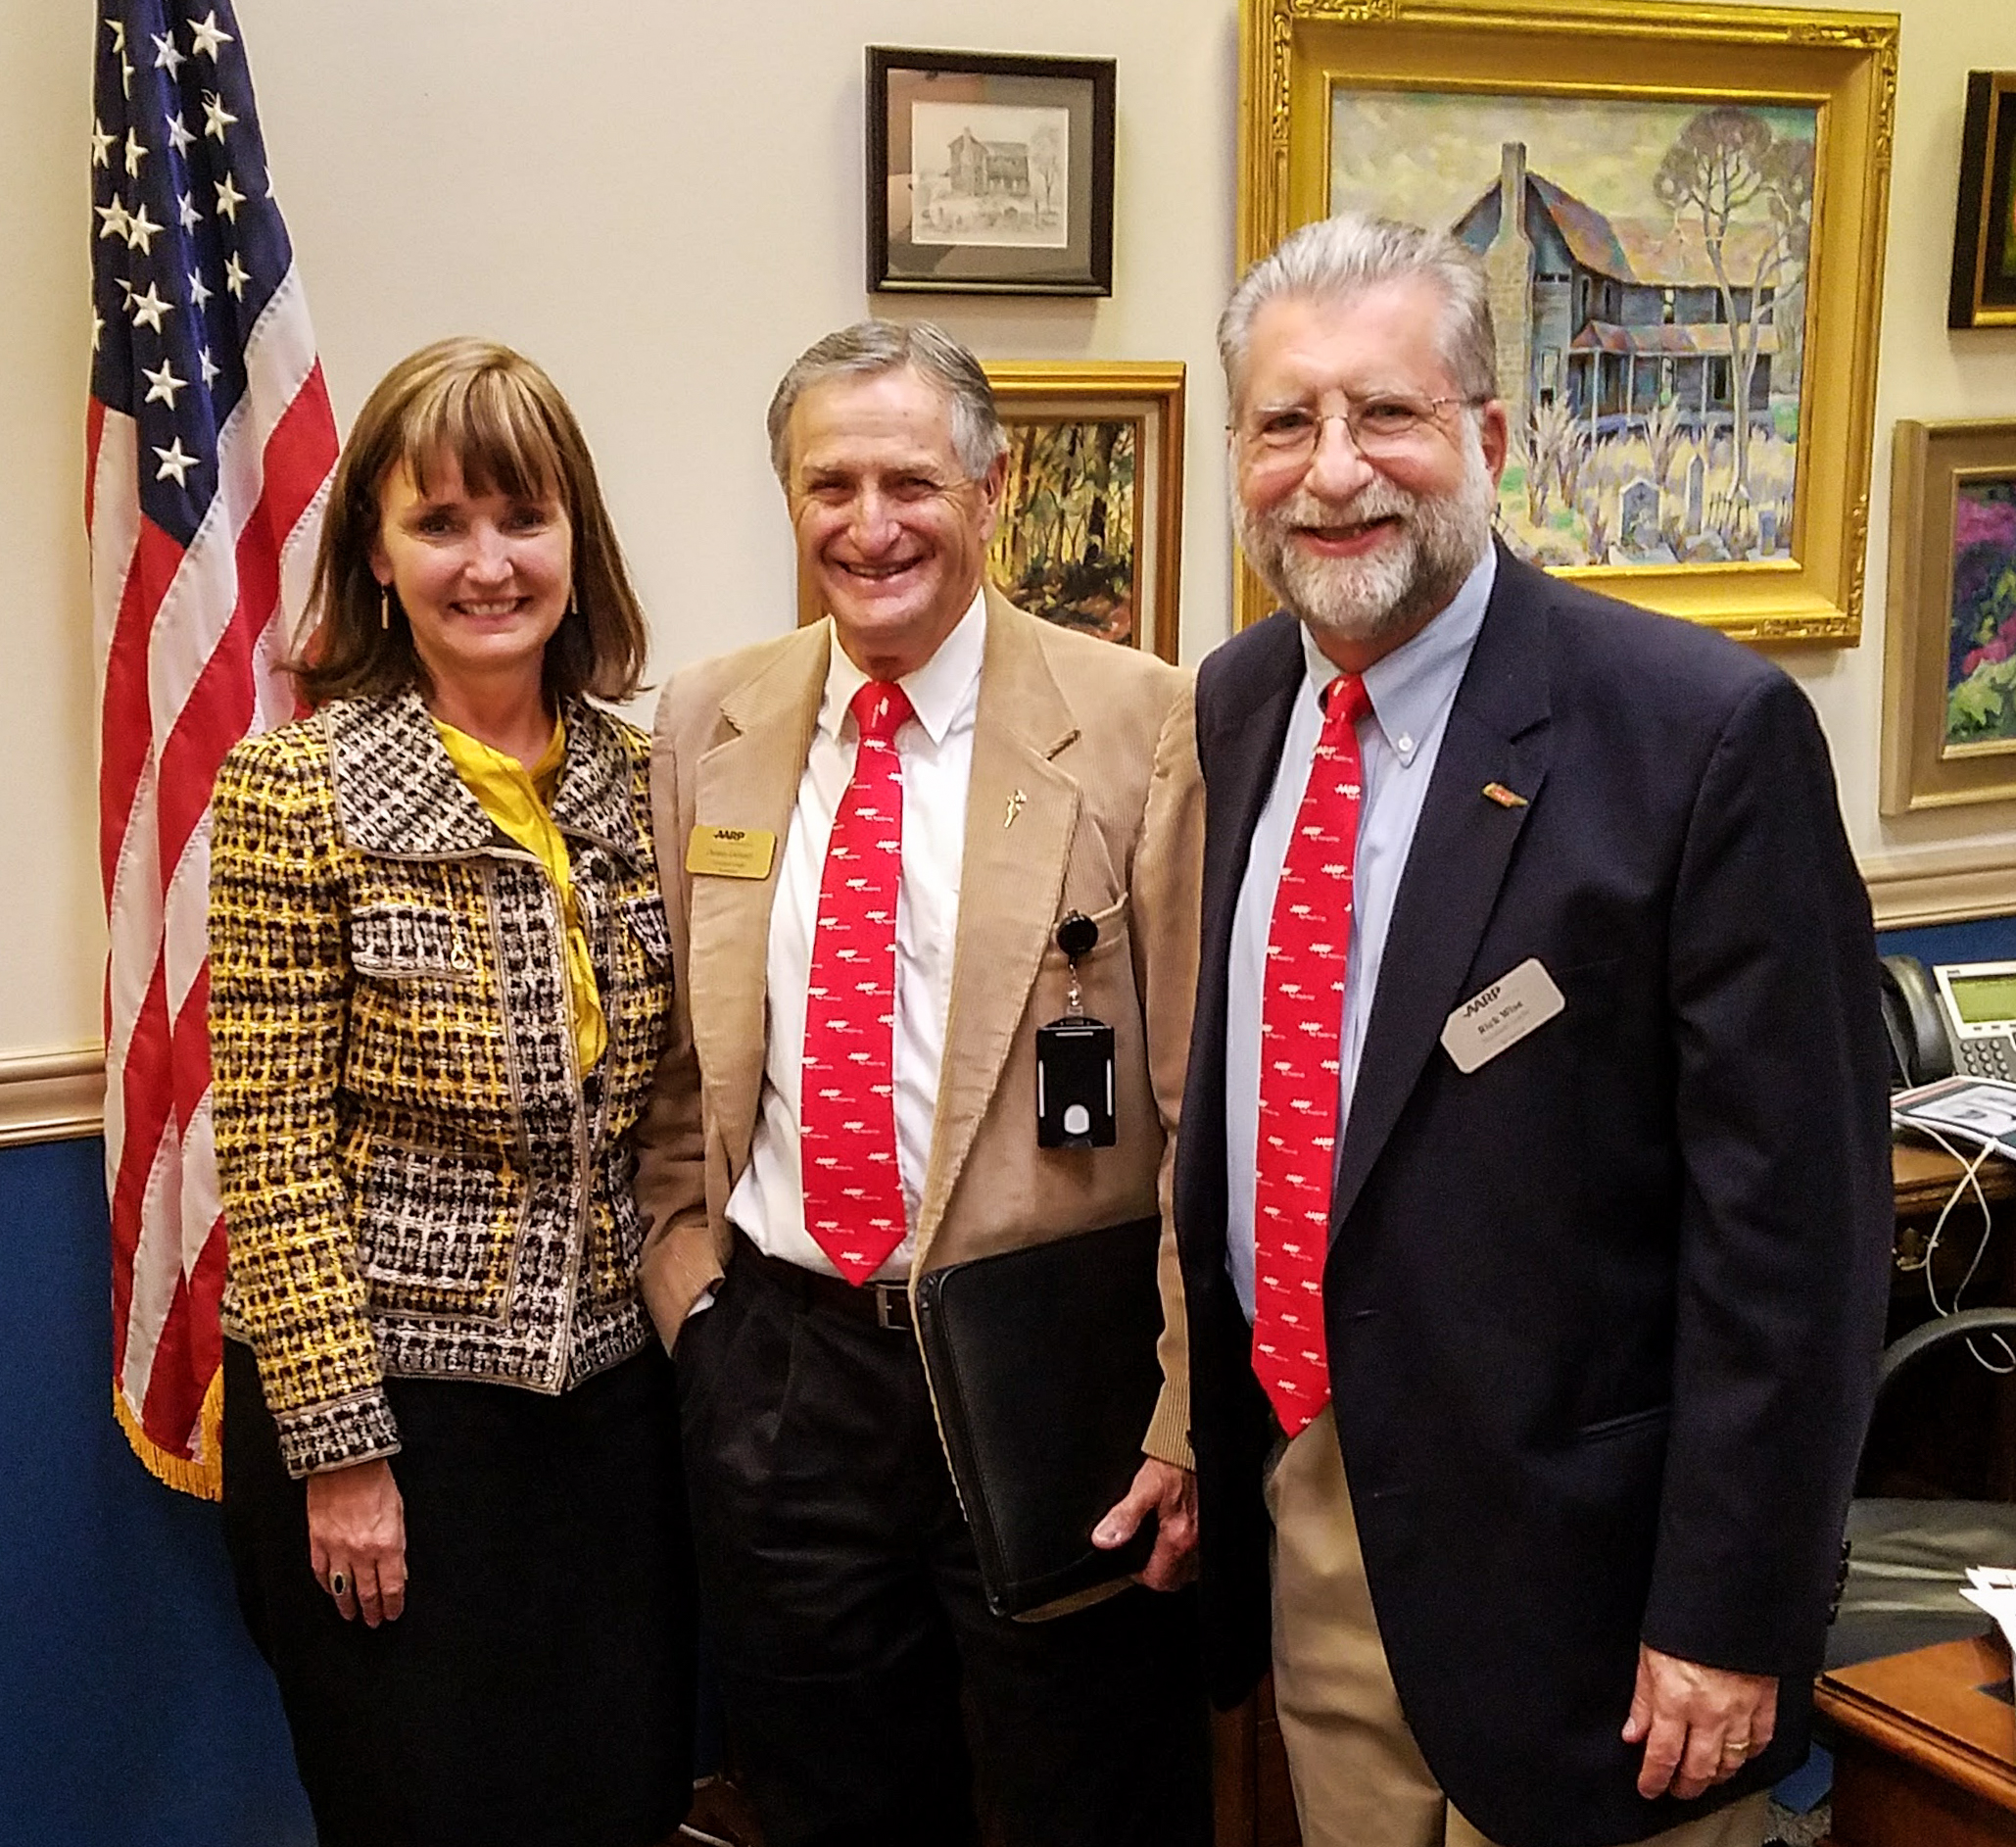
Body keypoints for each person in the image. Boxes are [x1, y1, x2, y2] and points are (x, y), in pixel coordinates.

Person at [1174, 213, 1894, 1847]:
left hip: (1599, 1603)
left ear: (1488, 437)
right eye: (1286, 422)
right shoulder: (1235, 703)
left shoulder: (1700, 737)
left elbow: (1796, 1245)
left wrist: (1727, 1610)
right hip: (1317, 1521)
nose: (1333, 469)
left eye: (1388, 414)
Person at [633, 318, 1211, 1847]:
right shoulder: (710, 719)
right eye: (831, 483)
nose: (868, 523)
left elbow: (1192, 1113)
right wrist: (694, 1308)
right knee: (826, 1806)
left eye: (911, 479)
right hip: (783, 1375)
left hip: (1045, 1379)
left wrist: (1180, 1414)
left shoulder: (1140, 724)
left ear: (991, 488)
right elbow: (680, 1073)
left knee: (1081, 1804)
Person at [209, 336, 694, 1847]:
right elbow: (273, 1150)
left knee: (619, 1799)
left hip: (618, 1418)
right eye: (440, 523)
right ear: (377, 550)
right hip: (396, 1432)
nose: (487, 562)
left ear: (577, 542)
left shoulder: (652, 773)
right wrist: (344, 1455)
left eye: (522, 518)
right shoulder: (294, 791)